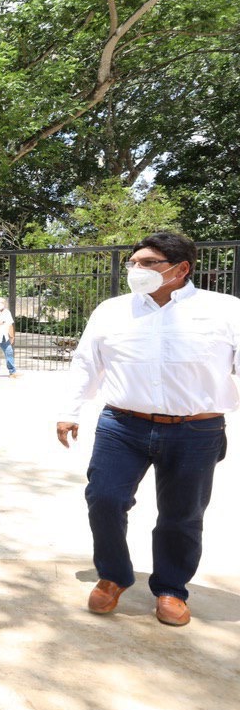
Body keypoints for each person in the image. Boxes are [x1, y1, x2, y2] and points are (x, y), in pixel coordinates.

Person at [57, 231, 240, 627]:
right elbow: (87, 363)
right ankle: (113, 576)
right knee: (104, 498)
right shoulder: (112, 311)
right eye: (133, 263)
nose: (136, 270)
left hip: (196, 430)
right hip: (122, 425)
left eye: (148, 263)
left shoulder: (226, 310)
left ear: (181, 268)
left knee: (183, 513)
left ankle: (172, 589)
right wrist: (69, 410)